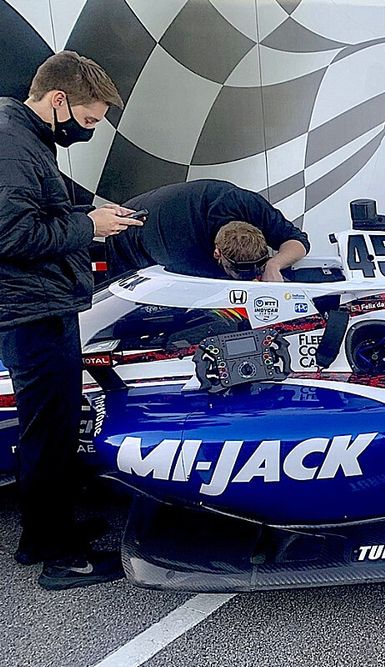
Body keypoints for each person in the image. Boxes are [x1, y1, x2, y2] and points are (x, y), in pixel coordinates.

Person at [0, 51, 141, 589]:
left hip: (38, 305)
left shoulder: (24, 137)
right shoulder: (13, 146)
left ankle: (44, 536)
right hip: (30, 311)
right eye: (86, 121)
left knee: (52, 428)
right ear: (58, 100)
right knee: (48, 431)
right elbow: (11, 237)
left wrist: (88, 218)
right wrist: (89, 227)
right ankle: (60, 559)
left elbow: (36, 216)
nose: (87, 132)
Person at [105, 179, 310, 282]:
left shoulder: (248, 205)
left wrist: (274, 264)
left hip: (191, 203)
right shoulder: (182, 255)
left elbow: (298, 241)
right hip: (130, 234)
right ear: (217, 253)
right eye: (237, 271)